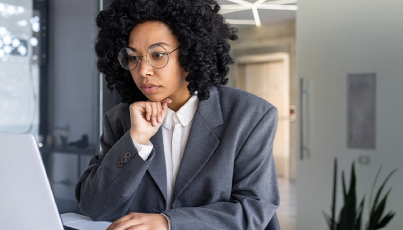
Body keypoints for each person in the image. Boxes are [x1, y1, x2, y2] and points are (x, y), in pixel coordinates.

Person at [75, 0, 280, 229]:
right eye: (133, 57)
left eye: (158, 55)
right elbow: (95, 206)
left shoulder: (250, 115)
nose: (143, 70)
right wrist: (136, 141)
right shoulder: (121, 119)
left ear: (190, 53)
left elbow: (253, 209)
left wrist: (168, 223)